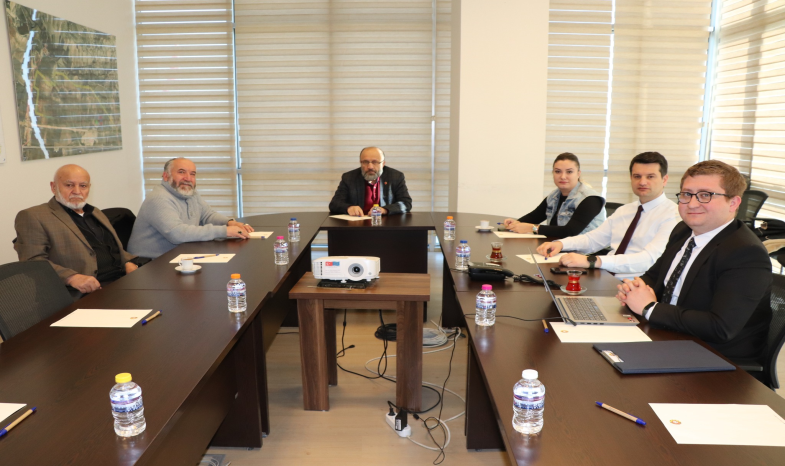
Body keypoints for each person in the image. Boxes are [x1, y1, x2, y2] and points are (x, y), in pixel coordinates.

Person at [616, 160, 772, 360]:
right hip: (668, 334)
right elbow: (654, 277)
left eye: (705, 195)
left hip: (715, 357)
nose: (692, 204)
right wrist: (633, 288)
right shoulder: (683, 230)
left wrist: (649, 308)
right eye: (687, 194)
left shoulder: (746, 253)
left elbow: (720, 327)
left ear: (733, 202)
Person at [536, 152, 680, 279]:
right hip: (605, 276)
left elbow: (648, 259)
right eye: (637, 176)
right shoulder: (624, 210)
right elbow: (593, 240)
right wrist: (561, 244)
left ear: (664, 179)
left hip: (636, 283)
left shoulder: (673, 215)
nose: (642, 182)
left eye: (650, 176)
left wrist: (593, 261)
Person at [14, 164, 141, 298]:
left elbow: (112, 247)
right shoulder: (34, 216)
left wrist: (128, 262)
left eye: (83, 186)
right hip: (79, 293)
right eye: (69, 185)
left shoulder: (95, 212)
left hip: (121, 282)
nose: (77, 191)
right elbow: (32, 262)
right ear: (53, 187)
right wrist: (71, 277)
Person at [128, 157, 254, 258]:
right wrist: (224, 231)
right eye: (181, 172)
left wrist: (230, 223)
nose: (188, 178)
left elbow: (207, 215)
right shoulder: (159, 199)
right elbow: (177, 233)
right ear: (166, 176)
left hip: (179, 255)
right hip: (151, 265)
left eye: (192, 174)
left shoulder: (189, 193)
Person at [503, 152, 605, 238]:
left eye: (569, 172)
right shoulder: (554, 195)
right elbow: (535, 216)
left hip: (585, 253)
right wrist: (516, 223)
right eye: (558, 171)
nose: (563, 176)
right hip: (557, 246)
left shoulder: (591, 199)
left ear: (578, 173)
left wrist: (532, 228)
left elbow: (570, 231)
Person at [329, 147, 412, 216]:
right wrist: (349, 208)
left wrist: (384, 210)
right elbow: (335, 204)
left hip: (386, 225)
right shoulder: (349, 177)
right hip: (357, 225)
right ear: (360, 162)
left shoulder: (395, 176)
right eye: (365, 162)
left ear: (383, 163)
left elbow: (406, 203)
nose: (370, 167)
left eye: (375, 162)